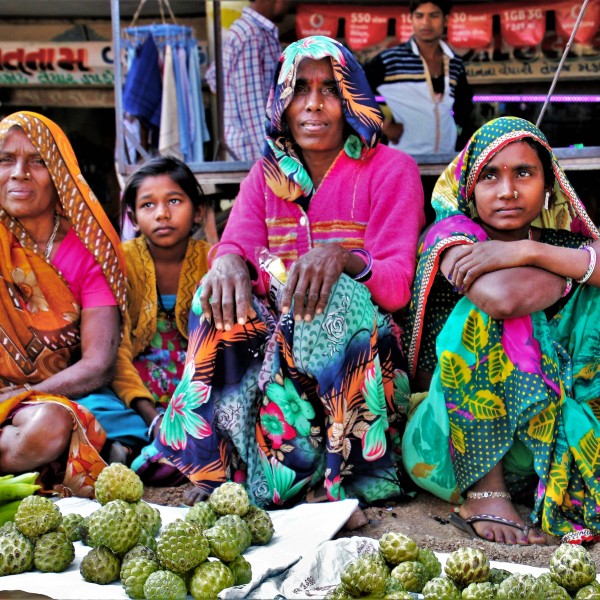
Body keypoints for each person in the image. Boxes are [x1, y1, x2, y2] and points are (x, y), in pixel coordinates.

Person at [139, 35, 425, 514]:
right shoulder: (266, 175)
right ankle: (217, 469)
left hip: (365, 362)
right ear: (282, 101)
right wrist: (227, 260)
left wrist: (344, 257)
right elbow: (236, 245)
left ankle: (345, 481)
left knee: (336, 298)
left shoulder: (390, 169)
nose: (313, 104)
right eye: (299, 88)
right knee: (215, 295)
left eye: (329, 89)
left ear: (352, 96)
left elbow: (396, 285)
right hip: (279, 345)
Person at [403, 116, 600, 545]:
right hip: (447, 441)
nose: (508, 191)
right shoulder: (451, 235)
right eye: (490, 175)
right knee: (483, 316)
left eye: (524, 174)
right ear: (470, 187)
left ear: (549, 185)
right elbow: (501, 299)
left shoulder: (549, 242)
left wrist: (530, 250)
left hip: (539, 435)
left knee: (595, 302)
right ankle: (484, 494)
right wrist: (575, 271)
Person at [0, 111, 128, 497]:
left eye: (38, 160)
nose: (20, 172)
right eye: (6, 159)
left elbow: (97, 364)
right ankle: (52, 464)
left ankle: (46, 456)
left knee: (52, 427)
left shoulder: (90, 252)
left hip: (48, 401)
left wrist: (20, 396)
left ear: (60, 172)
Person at [111, 156, 211, 482]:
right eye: (148, 205)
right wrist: (154, 419)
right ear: (134, 217)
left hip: (195, 392)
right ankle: (156, 442)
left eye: (174, 201)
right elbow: (116, 350)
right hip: (137, 397)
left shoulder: (214, 260)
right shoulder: (121, 261)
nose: (162, 214)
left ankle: (143, 451)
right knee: (91, 408)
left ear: (198, 211)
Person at [364, 0, 473, 155]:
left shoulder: (454, 62)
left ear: (446, 20)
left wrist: (460, 140)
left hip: (446, 159)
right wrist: (384, 124)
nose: (426, 23)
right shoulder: (391, 60)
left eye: (433, 16)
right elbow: (353, 89)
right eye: (419, 16)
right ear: (411, 19)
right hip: (403, 159)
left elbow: (464, 106)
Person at [206, 0, 291, 162]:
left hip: (244, 152)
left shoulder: (246, 30)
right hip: (252, 156)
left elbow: (213, 79)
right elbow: (253, 109)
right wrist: (272, 161)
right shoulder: (251, 35)